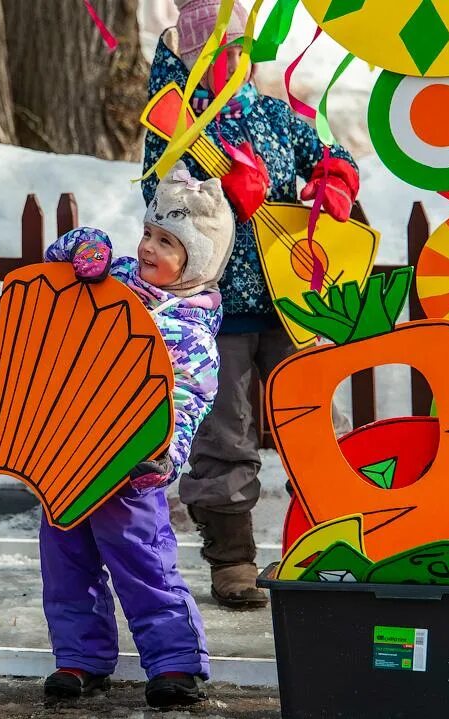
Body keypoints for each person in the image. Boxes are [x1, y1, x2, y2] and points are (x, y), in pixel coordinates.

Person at [143, 0, 359, 610]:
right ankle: (233, 560)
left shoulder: (277, 116)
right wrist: (218, 197)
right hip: (216, 309)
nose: (228, 63)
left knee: (315, 423)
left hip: (294, 302)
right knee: (224, 435)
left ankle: (332, 540)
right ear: (188, 61)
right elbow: (162, 203)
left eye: (237, 51)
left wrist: (335, 180)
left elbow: (327, 155)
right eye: (212, 55)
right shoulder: (173, 124)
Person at [39, 162, 234, 708]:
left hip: (132, 466)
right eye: (149, 232)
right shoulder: (113, 277)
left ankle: (175, 664)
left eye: (167, 242)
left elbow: (188, 401)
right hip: (66, 456)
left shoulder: (189, 329)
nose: (149, 247)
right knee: (65, 560)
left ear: (194, 261)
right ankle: (79, 658)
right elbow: (59, 258)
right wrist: (88, 247)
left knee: (143, 561)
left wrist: (165, 456)